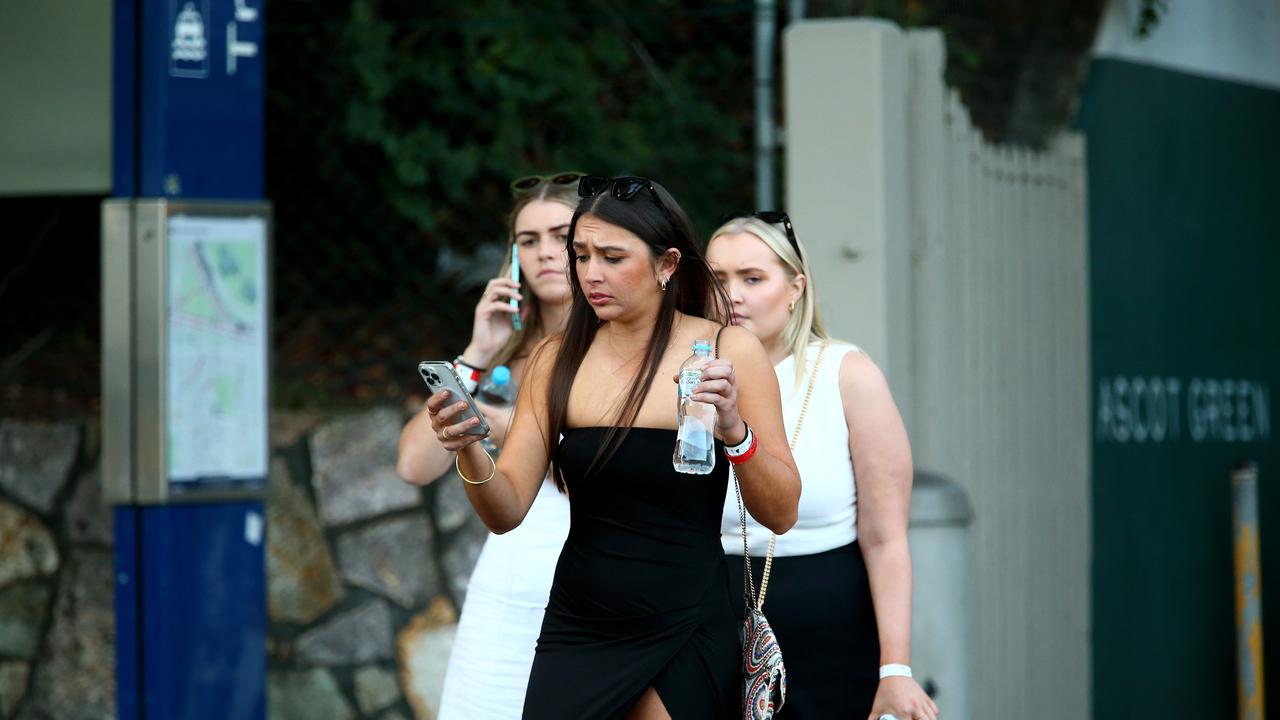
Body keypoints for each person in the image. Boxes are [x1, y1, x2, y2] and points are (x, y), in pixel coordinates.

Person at [425, 176, 802, 719]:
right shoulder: (557, 359)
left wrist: (735, 432)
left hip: (685, 619)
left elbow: (782, 511)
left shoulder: (727, 349)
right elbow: (505, 511)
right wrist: (467, 447)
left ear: (667, 264)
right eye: (580, 256)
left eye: (612, 256)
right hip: (581, 622)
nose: (591, 273)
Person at [708, 213, 939, 720]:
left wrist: (895, 669)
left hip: (832, 633)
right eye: (718, 279)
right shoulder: (688, 376)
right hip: (708, 622)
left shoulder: (845, 374)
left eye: (752, 278)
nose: (732, 295)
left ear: (795, 287)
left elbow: (886, 537)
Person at [396, 171, 581, 719]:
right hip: (508, 584)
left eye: (560, 235)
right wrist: (477, 352)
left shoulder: (624, 348)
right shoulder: (504, 353)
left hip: (592, 586)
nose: (546, 253)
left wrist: (506, 428)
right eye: (528, 241)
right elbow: (412, 464)